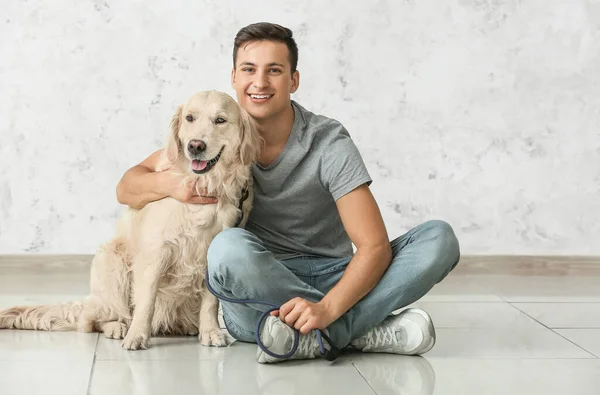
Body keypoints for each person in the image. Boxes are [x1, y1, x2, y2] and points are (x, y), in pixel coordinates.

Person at [116, 22, 460, 364]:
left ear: (293, 80)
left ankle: (321, 334)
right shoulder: (212, 137)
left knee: (439, 239)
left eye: (275, 70)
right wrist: (174, 185)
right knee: (227, 248)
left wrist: (327, 308)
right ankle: (362, 329)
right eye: (249, 69)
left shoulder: (327, 142)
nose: (260, 82)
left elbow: (373, 247)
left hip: (333, 276)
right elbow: (127, 186)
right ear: (234, 78)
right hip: (258, 288)